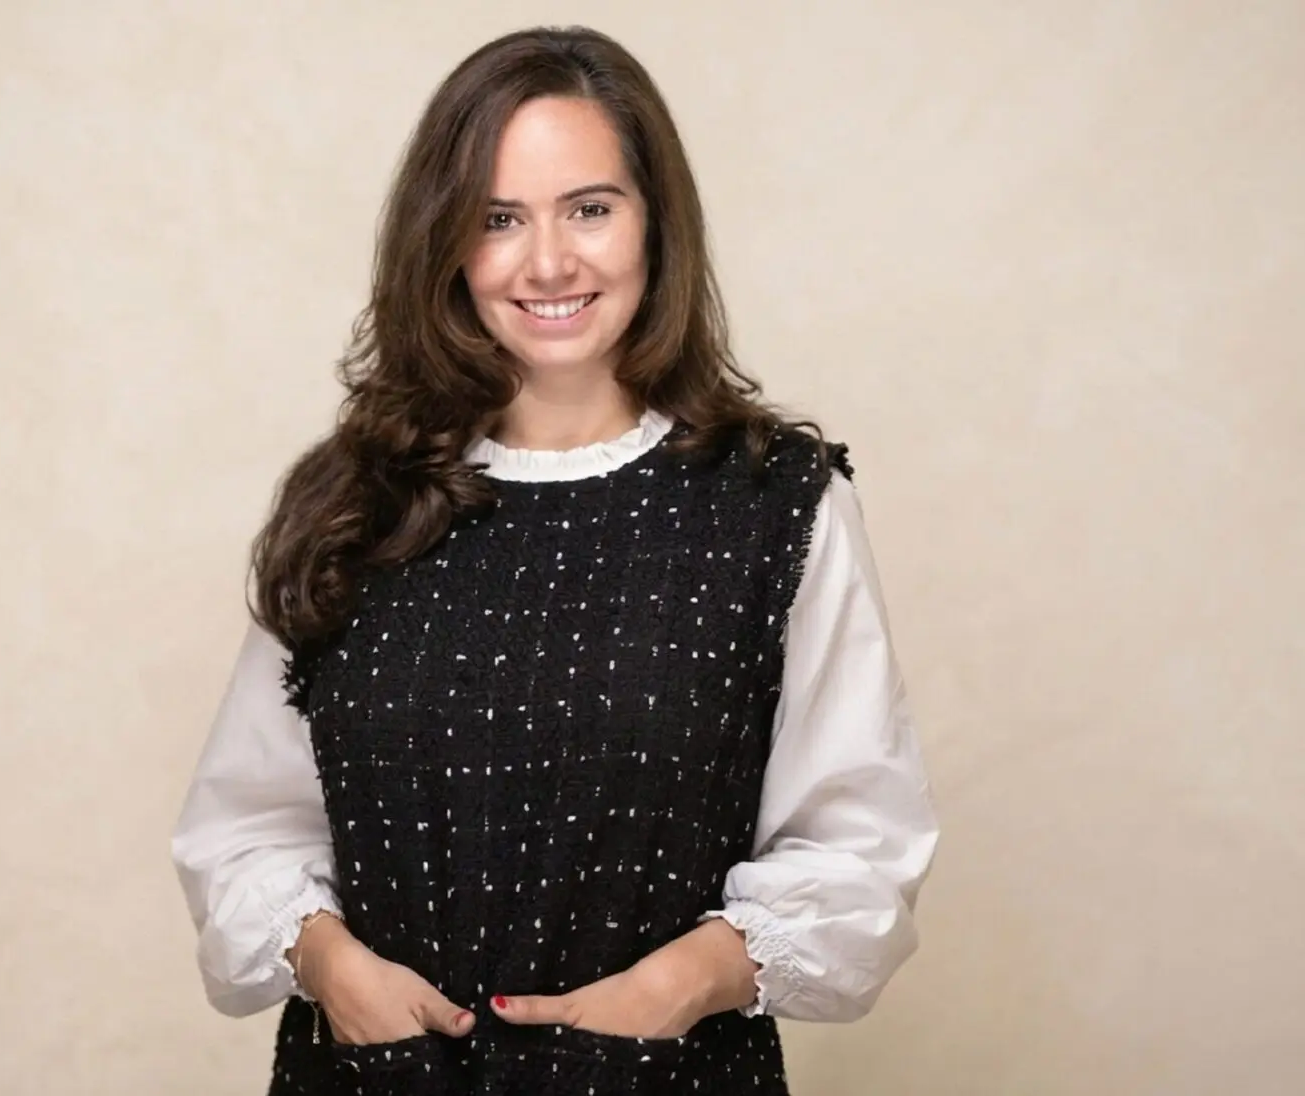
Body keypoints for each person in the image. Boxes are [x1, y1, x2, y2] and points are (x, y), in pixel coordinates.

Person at [171, 24, 938, 1096]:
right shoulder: (352, 502)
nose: (548, 263)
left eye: (589, 208)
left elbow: (860, 843)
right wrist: (330, 964)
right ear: (445, 243)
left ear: (655, 222)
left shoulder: (776, 505)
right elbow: (247, 823)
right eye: (499, 219)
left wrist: (682, 983)